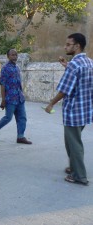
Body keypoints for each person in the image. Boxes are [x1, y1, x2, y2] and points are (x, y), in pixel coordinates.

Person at [45, 33, 93, 186]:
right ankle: (74, 167)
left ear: (77, 46)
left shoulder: (74, 65)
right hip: (85, 110)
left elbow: (64, 90)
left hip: (73, 112)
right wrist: (67, 66)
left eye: (68, 44)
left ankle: (79, 176)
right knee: (72, 141)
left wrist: (51, 103)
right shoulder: (89, 63)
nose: (65, 47)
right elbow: (80, 78)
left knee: (74, 144)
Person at [0, 49, 32, 144]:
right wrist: (3, 100)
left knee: (22, 118)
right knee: (8, 118)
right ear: (8, 56)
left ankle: (20, 136)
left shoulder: (17, 68)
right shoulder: (5, 68)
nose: (14, 57)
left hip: (19, 98)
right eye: (12, 55)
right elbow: (2, 84)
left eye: (16, 55)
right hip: (10, 99)